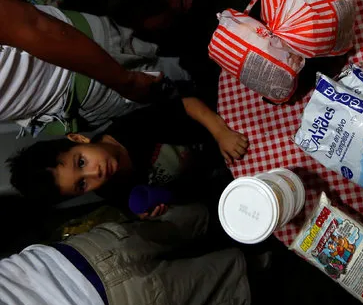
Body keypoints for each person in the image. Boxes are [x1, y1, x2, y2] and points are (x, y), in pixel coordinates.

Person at [0, 203, 253, 305]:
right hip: (72, 256)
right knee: (192, 223)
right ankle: (242, 213)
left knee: (229, 276)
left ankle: (259, 246)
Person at [7, 85, 248, 216]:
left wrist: (220, 133)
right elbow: (168, 194)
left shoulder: (129, 129)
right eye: (82, 185)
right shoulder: (111, 190)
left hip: (221, 128)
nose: (95, 174)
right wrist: (150, 213)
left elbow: (187, 105)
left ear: (78, 138)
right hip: (218, 171)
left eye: (81, 163)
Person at [0, 0, 192, 136]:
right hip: (72, 111)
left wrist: (126, 82)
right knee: (175, 117)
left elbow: (33, 24)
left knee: (187, 76)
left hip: (92, 64)